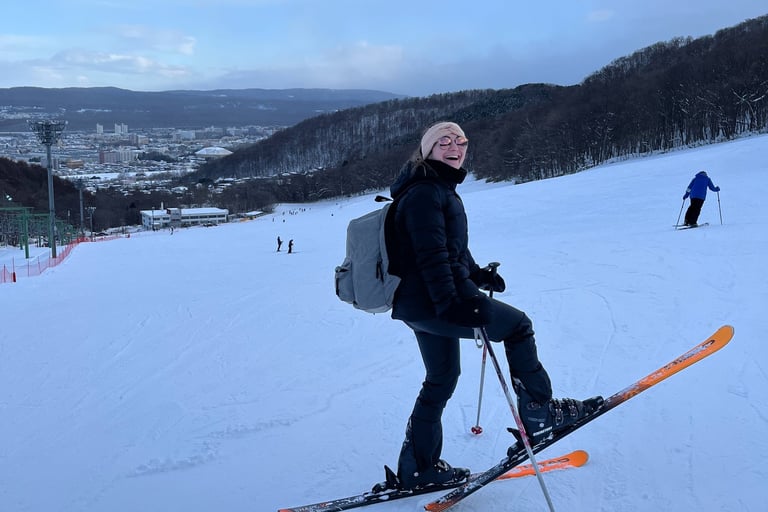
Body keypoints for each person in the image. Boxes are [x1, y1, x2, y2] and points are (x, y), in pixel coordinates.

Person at [385, 121, 602, 491]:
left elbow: (450, 250)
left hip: (416, 306)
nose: (454, 147)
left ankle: (417, 468)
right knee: (519, 327)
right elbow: (431, 257)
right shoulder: (426, 192)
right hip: (435, 302)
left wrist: (477, 275)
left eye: (460, 141)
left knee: (441, 377)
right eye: (443, 142)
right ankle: (540, 416)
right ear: (427, 150)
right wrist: (453, 305)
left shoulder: (433, 188)